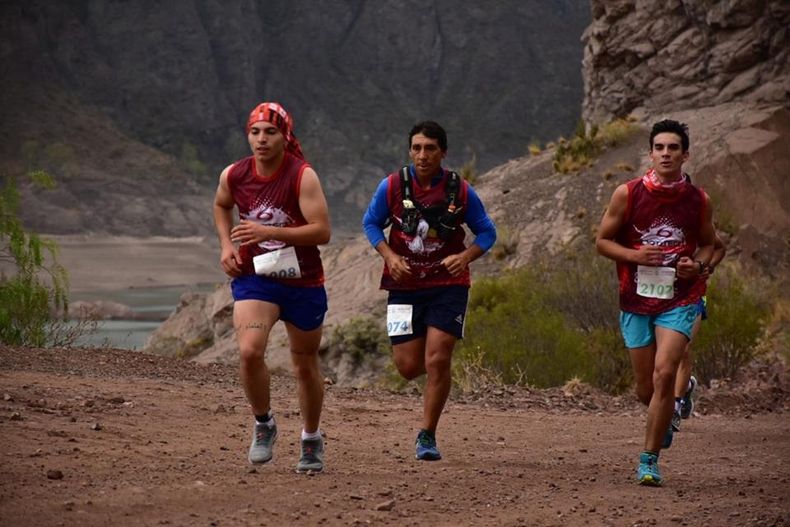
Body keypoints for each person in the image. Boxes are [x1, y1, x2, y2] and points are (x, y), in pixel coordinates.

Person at [362, 121, 496, 461]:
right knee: (408, 367)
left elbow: (487, 233)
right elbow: (370, 223)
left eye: (430, 148)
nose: (423, 155)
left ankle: (427, 434)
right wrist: (389, 256)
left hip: (447, 286)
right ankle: (437, 369)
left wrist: (464, 257)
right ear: (410, 151)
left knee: (437, 358)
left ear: (443, 153)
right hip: (403, 286)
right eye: (417, 148)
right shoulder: (392, 186)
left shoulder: (460, 190)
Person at [213, 102, 331, 473]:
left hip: (303, 280)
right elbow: (221, 205)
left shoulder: (302, 175)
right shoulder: (234, 174)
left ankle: (311, 439)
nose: (261, 139)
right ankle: (264, 423)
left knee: (304, 364)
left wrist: (269, 231)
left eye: (270, 132)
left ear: (285, 136)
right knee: (249, 352)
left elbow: (322, 231)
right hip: (256, 278)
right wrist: (227, 246)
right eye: (255, 132)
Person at [596, 119, 715, 486]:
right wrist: (634, 256)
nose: (666, 154)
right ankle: (660, 419)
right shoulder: (628, 194)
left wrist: (697, 266)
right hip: (635, 299)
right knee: (646, 389)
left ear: (685, 154)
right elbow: (603, 241)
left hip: (680, 298)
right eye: (660, 147)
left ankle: (649, 460)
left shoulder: (698, 199)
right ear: (650, 153)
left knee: (665, 374)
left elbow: (712, 244)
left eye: (673, 148)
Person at [671, 231, 726, 431]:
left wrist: (707, 267)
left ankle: (675, 408)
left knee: (683, 348)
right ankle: (685, 388)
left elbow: (719, 246)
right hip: (662, 297)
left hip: (693, 296)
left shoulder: (694, 216)